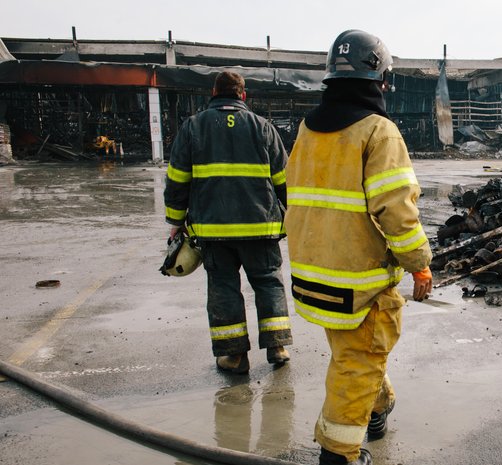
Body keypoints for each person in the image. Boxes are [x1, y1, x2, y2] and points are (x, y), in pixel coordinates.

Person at [284, 30, 433, 465]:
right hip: (360, 285)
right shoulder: (378, 132)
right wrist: (420, 264)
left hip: (314, 277)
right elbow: (397, 213)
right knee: (359, 360)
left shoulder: (308, 129)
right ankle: (339, 453)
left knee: (356, 351)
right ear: (379, 78)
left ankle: (378, 408)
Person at [164, 71, 293, 374]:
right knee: (268, 282)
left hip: (214, 229)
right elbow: (285, 180)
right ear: (243, 96)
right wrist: (293, 214)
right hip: (261, 227)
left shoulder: (193, 127)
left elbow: (178, 179)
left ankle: (234, 356)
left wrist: (176, 221)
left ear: (213, 92)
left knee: (223, 288)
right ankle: (277, 346)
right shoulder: (263, 127)